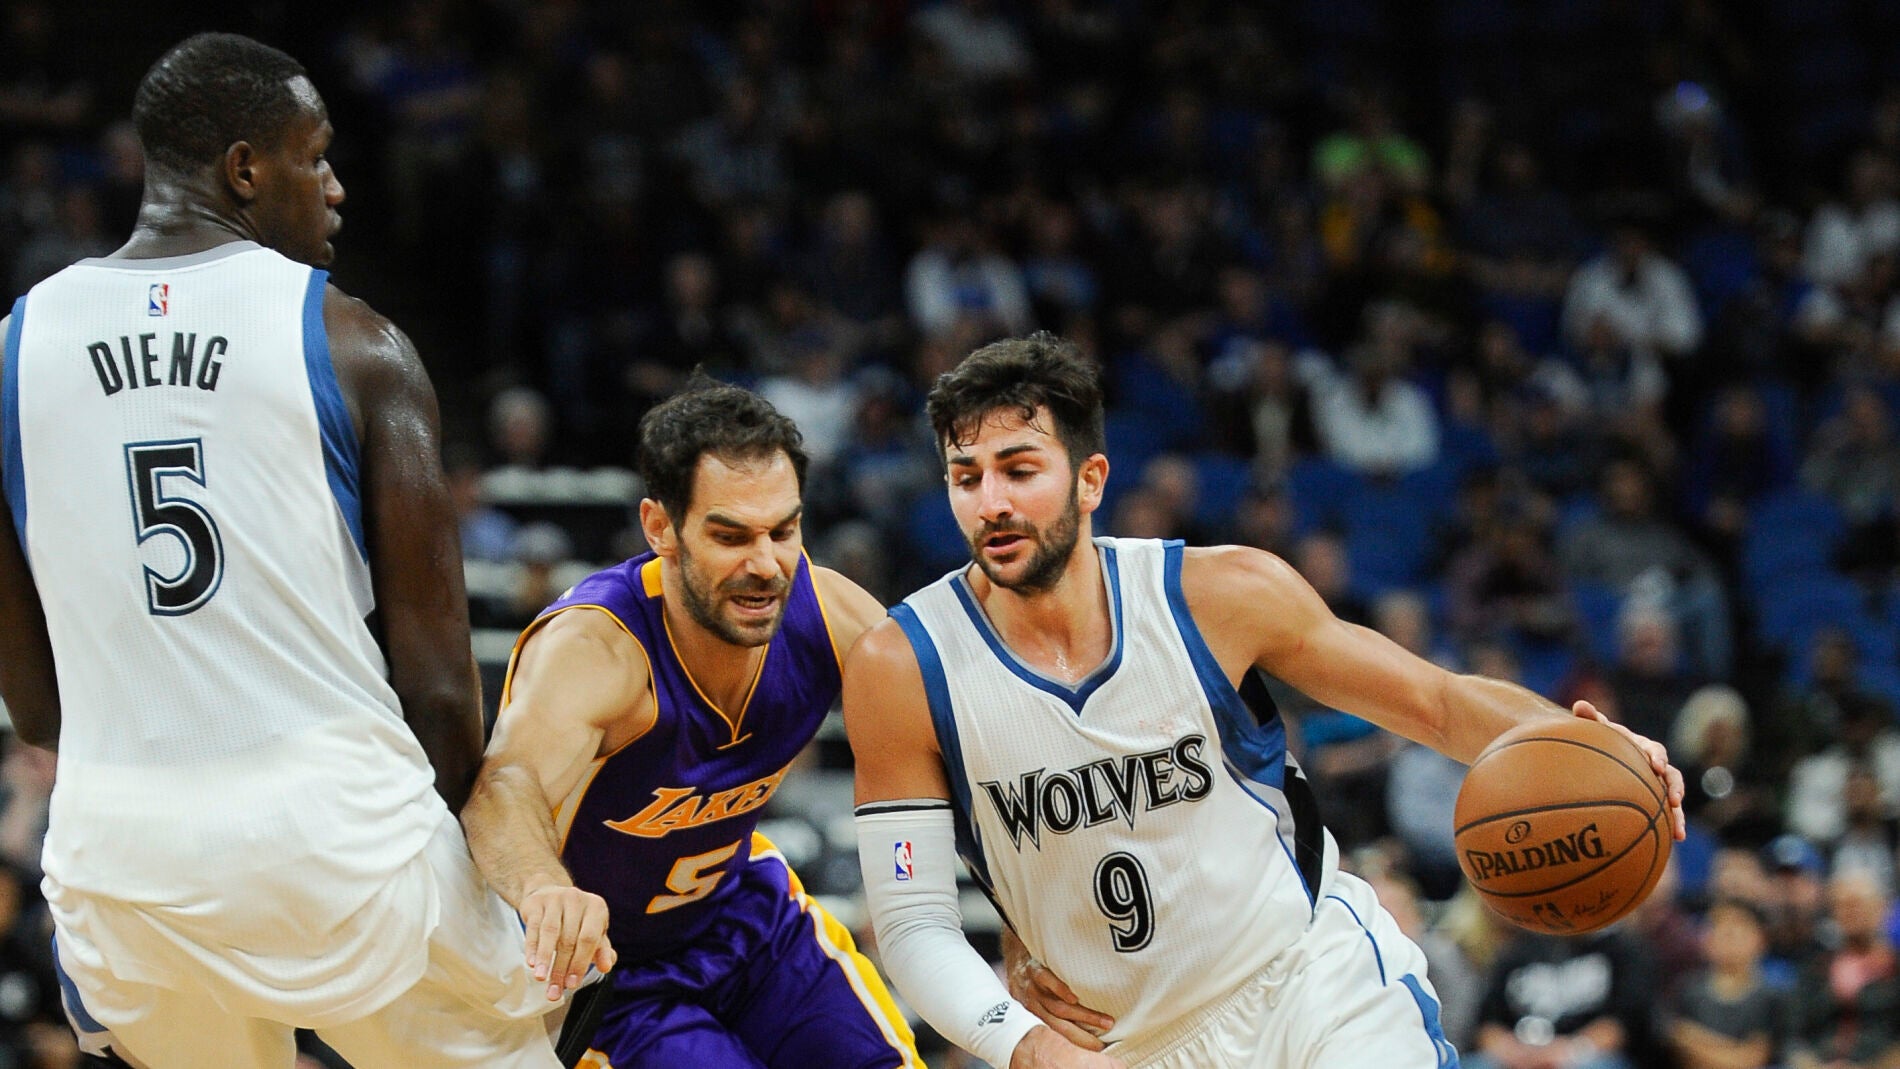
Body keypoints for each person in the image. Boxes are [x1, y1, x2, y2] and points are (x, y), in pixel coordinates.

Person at [844, 332, 1685, 1069]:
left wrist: (1603, 748)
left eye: (1020, 470)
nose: (991, 501)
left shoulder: (1216, 593)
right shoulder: (903, 665)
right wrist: (1024, 1042)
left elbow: (1437, 702)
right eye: (966, 476)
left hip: (1308, 983)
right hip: (1123, 1045)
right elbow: (913, 925)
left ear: (1091, 478)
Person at [0, 33, 564, 1068]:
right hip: (337, 833)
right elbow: (441, 689)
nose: (337, 187)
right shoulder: (355, 341)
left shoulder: (12, 349)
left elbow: (34, 705)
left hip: (122, 856)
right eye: (317, 156)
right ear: (245, 169)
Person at [460, 378, 923, 1069]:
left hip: (745, 917)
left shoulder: (829, 613)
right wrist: (544, 887)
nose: (765, 564)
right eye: (731, 535)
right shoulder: (598, 648)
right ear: (660, 528)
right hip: (613, 971)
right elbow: (503, 787)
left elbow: (958, 732)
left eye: (783, 531)